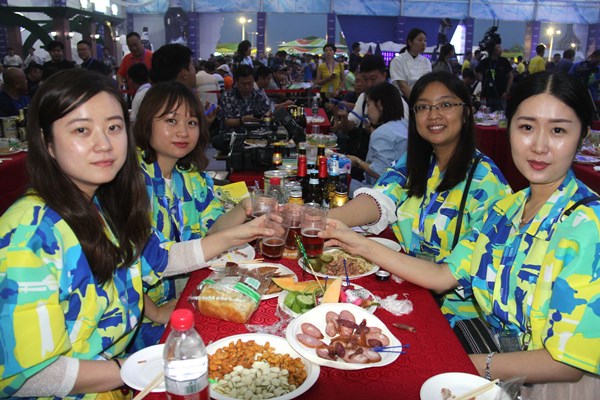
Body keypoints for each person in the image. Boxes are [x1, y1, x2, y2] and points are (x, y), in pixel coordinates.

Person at [322, 72, 600, 396]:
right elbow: (443, 276)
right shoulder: (508, 210)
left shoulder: (586, 224)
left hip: (544, 387)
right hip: (495, 359)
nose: (539, 145)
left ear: (582, 136)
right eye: (527, 127)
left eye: (558, 130)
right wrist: (353, 240)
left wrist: (458, 364)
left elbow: (565, 364)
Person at [0, 69, 270, 398]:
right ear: (47, 143)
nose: (104, 144)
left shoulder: (105, 203)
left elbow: (160, 258)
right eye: (82, 130)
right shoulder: (28, 234)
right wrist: (134, 369)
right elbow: (26, 375)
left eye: (113, 127)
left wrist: (244, 230)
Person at [328, 71, 510, 324]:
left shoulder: (487, 182)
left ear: (466, 112)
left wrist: (357, 243)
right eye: (423, 107)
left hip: (452, 316)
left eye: (445, 105)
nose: (433, 115)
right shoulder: (416, 161)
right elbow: (379, 199)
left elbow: (445, 278)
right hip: (406, 290)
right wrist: (320, 220)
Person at [131, 81, 257, 349]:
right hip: (141, 316)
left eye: (191, 122)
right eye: (171, 120)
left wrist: (246, 207)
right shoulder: (129, 181)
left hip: (186, 293)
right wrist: (154, 312)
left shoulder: (190, 177)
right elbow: (123, 263)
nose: (183, 131)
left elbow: (214, 228)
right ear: (146, 123)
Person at [347, 82, 408, 192]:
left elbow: (380, 172)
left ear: (379, 105)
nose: (367, 111)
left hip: (381, 191)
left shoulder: (382, 133)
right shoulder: (404, 124)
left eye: (369, 104)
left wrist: (357, 161)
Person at [212, 64, 270, 153]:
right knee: (217, 140)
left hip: (256, 135)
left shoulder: (259, 96)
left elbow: (267, 113)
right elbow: (227, 122)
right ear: (236, 82)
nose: (247, 87)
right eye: (243, 84)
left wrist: (266, 117)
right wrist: (242, 120)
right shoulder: (228, 96)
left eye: (250, 83)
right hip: (234, 136)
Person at [389, 28, 432, 99]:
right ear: (410, 42)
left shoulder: (426, 61)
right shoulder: (398, 60)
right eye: (420, 40)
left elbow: (427, 83)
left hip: (422, 97)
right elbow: (402, 86)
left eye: (425, 40)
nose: (423, 43)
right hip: (402, 99)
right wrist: (414, 101)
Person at [477, 43, 513, 111]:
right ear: (493, 50)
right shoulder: (485, 62)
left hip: (501, 94)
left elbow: (510, 76)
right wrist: (482, 80)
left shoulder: (504, 61)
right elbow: (478, 72)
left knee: (500, 114)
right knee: (484, 114)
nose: (501, 49)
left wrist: (507, 91)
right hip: (486, 94)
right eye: (498, 47)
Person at [116, 32, 153, 99]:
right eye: (130, 46)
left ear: (141, 42)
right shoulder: (126, 59)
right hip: (133, 96)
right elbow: (119, 74)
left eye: (135, 44)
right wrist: (121, 83)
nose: (134, 48)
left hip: (150, 95)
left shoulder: (152, 56)